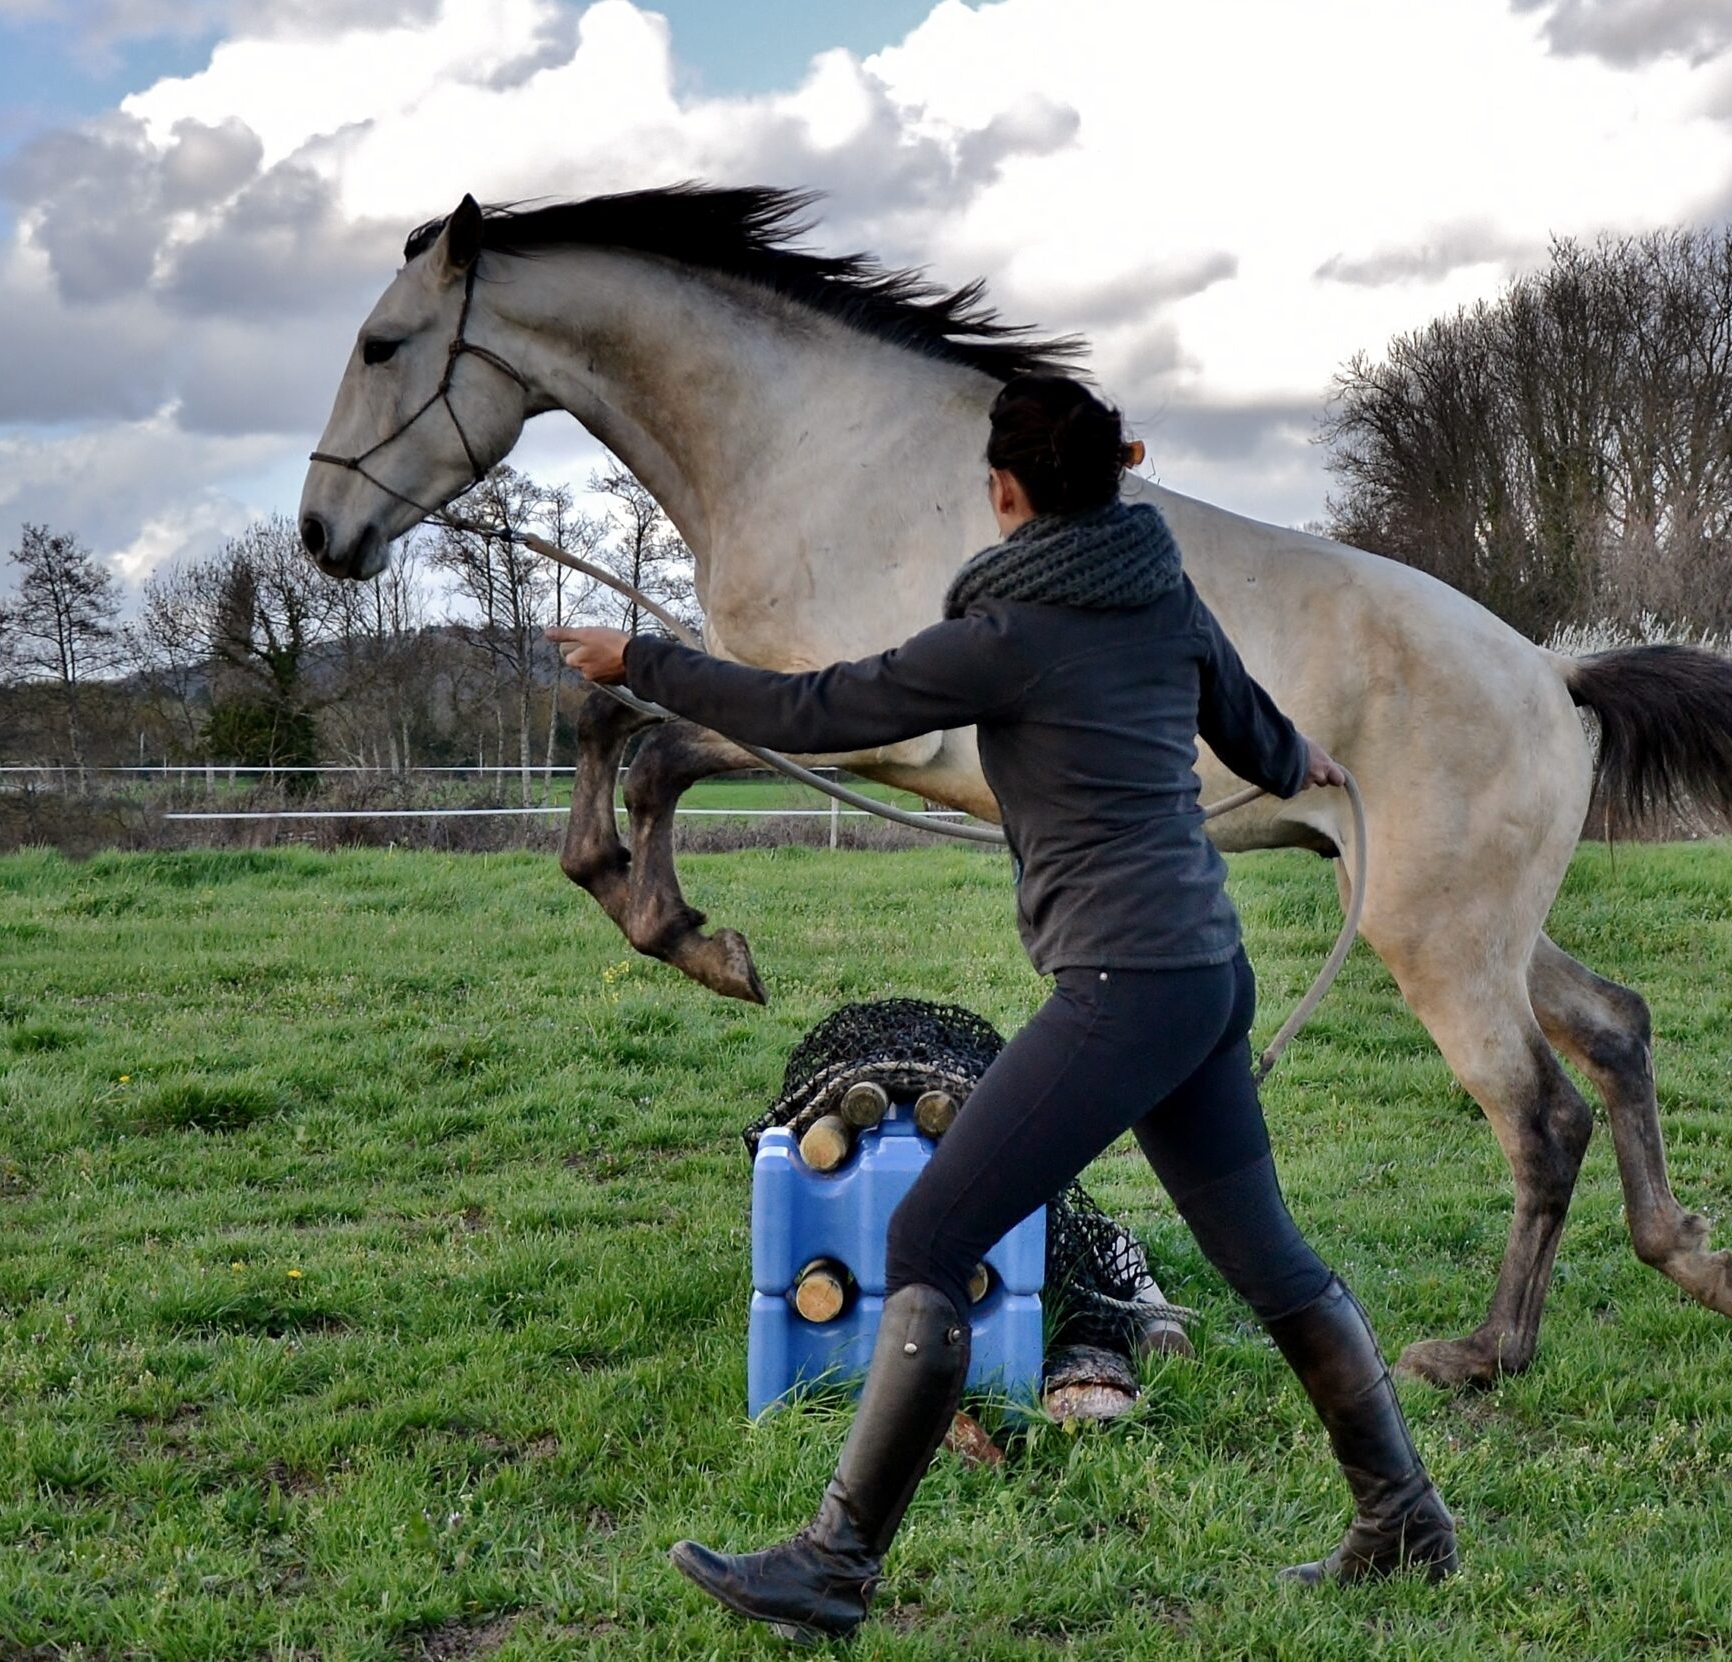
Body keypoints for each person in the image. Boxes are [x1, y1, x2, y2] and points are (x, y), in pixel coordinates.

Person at [547, 374, 1456, 1641]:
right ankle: (1402, 1515)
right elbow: (1253, 732)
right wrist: (1303, 759)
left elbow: (818, 711)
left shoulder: (1010, 632)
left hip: (1124, 991)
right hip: (1202, 972)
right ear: (1111, 480)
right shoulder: (1160, 591)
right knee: (1269, 1260)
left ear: (1007, 491)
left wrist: (643, 661)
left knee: (926, 1242)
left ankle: (831, 1566)